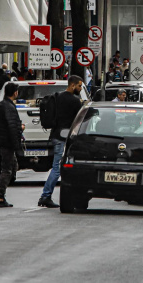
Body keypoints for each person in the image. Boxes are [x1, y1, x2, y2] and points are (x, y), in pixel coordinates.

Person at [39, 76, 83, 208]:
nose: (80, 89)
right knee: (57, 168)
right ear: (72, 85)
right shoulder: (75, 101)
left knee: (58, 167)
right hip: (64, 138)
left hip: (55, 135)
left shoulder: (57, 97)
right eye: (79, 86)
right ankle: (45, 196)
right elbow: (80, 120)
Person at [0, 82, 24, 207]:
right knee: (8, 168)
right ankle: (0, 196)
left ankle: (1, 194)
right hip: (7, 142)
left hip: (4, 141)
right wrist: (17, 140)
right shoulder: (8, 107)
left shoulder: (3, 105)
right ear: (15, 93)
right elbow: (11, 126)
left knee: (13, 166)